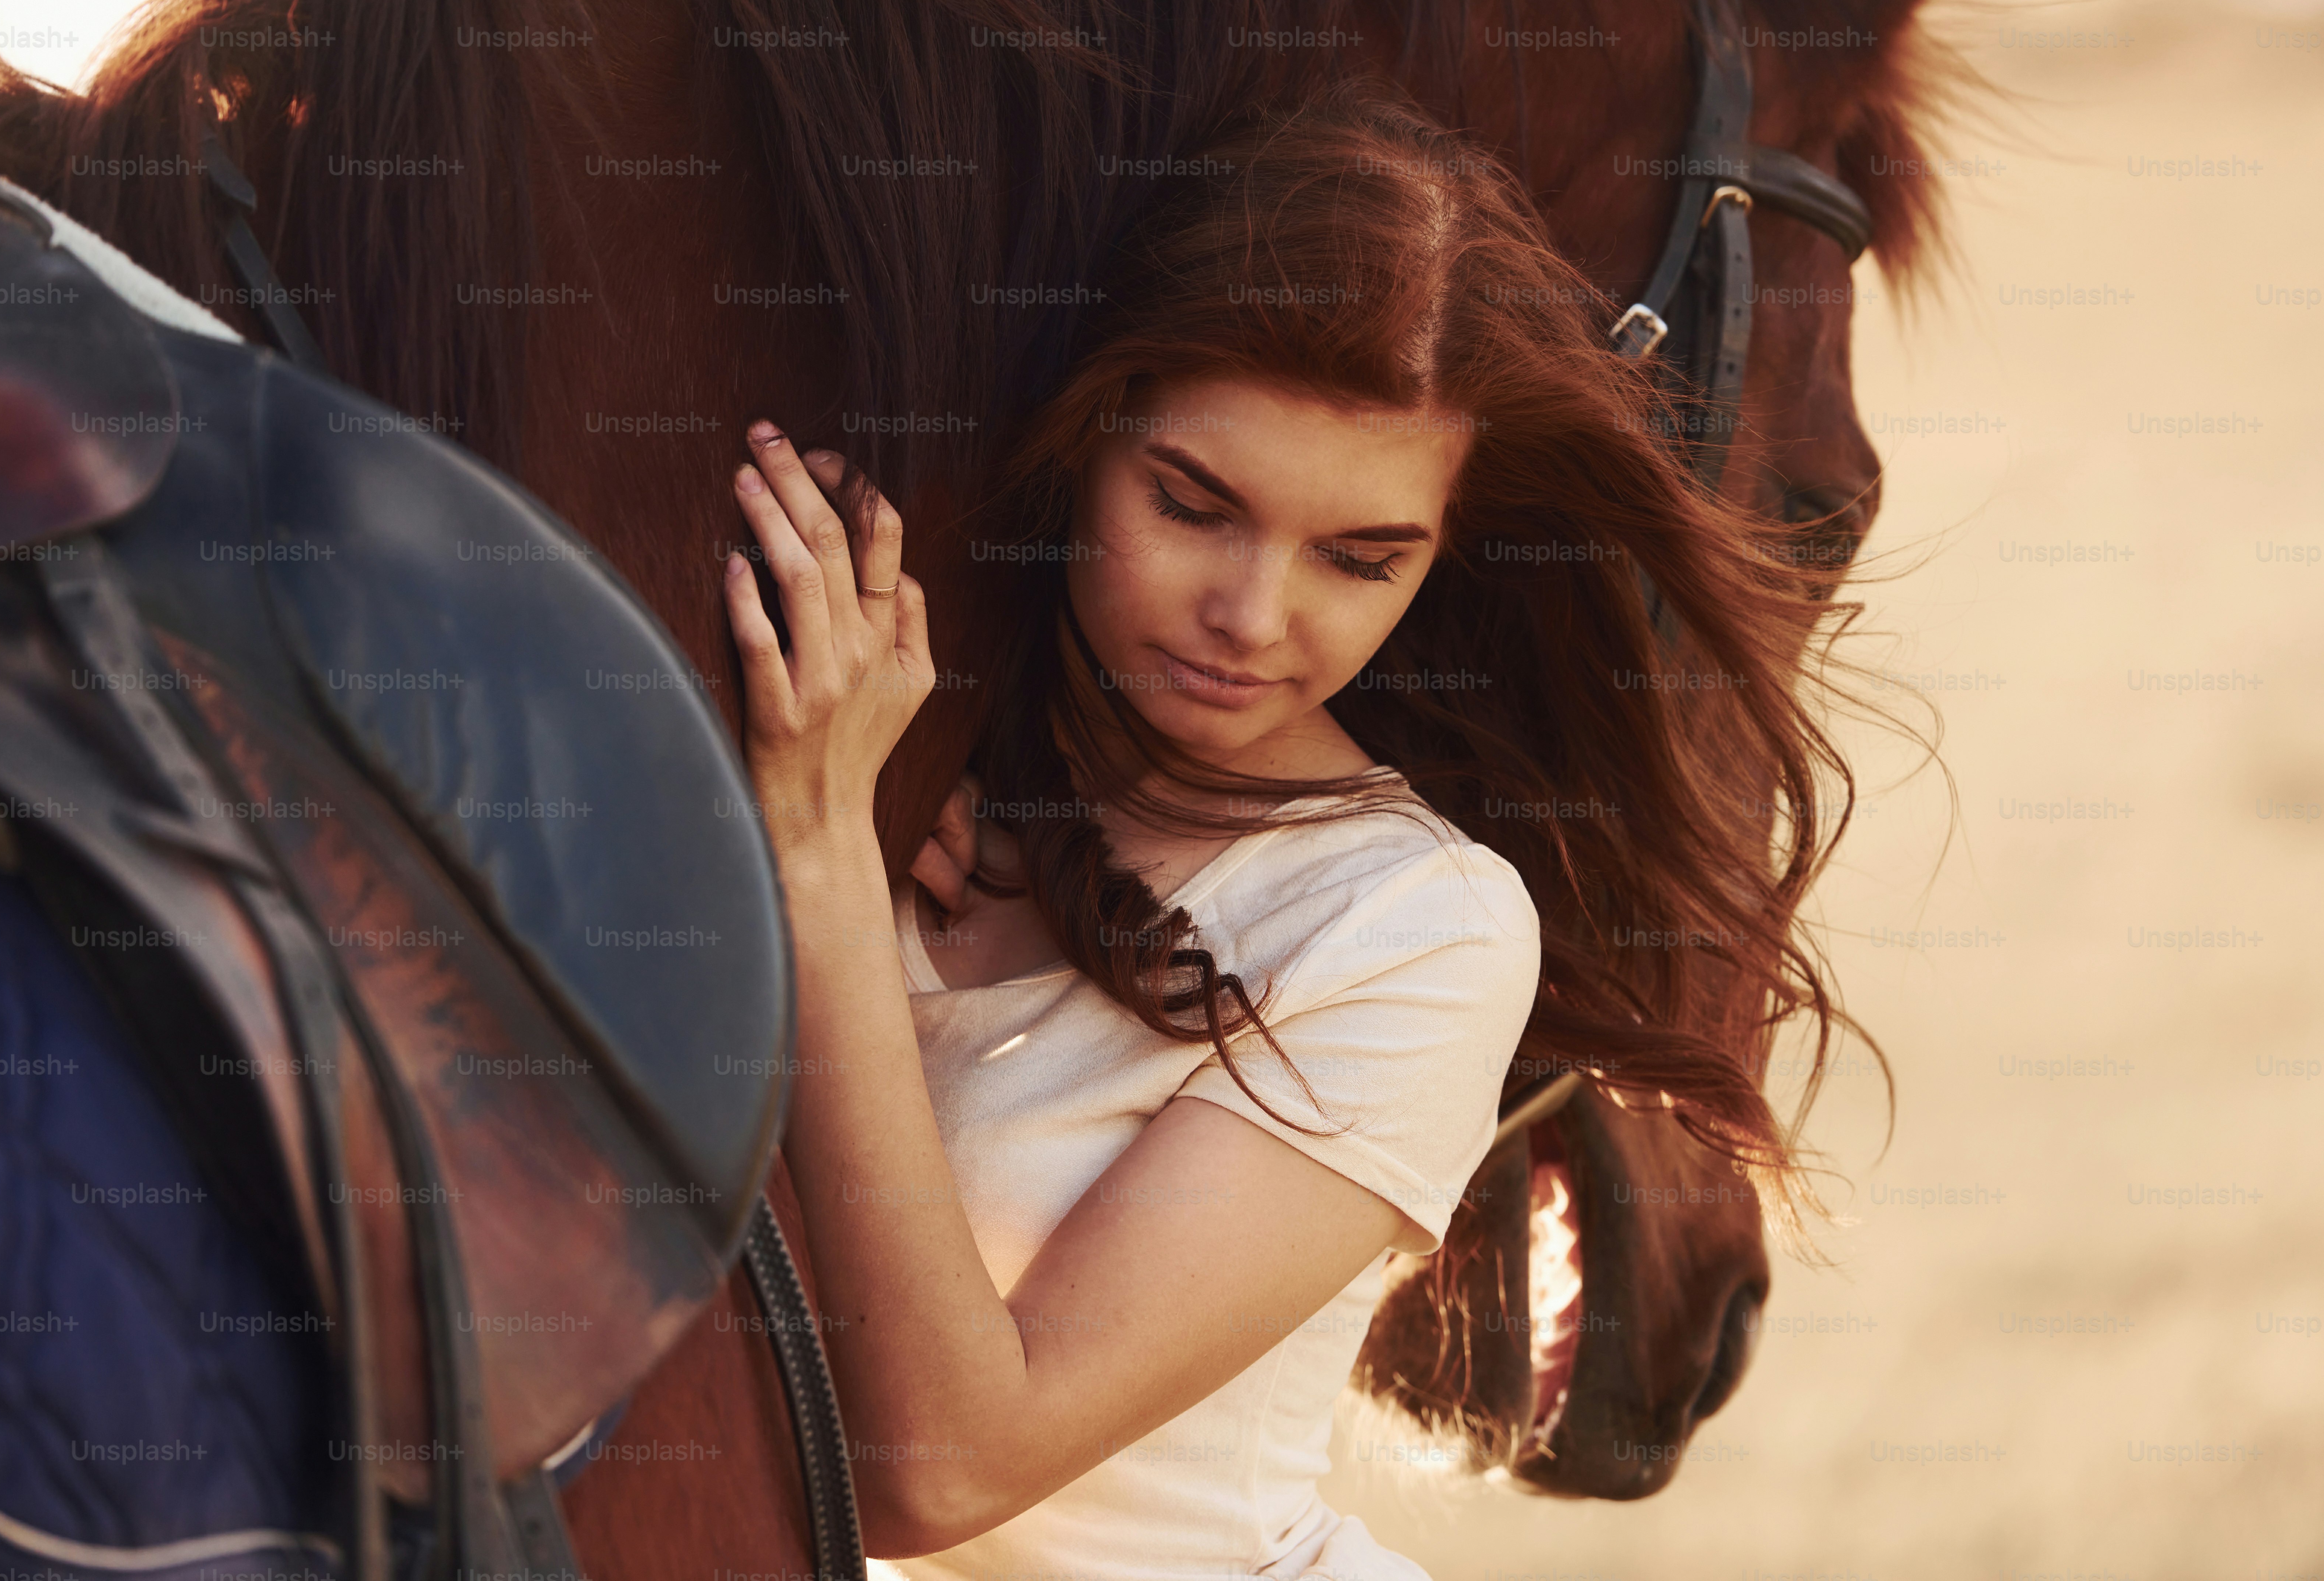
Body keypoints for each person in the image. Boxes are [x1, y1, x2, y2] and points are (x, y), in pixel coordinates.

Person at [716, 84, 1856, 1580]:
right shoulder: (927, 761)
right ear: (1085, 437)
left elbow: (944, 1471)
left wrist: (816, 873)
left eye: (1359, 559)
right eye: (1193, 504)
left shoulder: (1417, 929)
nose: (1253, 621)